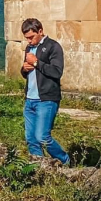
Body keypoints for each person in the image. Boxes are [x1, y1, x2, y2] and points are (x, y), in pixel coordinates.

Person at [20, 17, 69, 165]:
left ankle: (65, 160)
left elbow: (56, 72)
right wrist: (24, 69)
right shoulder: (29, 49)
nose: (29, 41)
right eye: (26, 38)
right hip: (30, 99)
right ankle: (39, 166)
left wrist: (36, 62)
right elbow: (27, 73)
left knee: (42, 137)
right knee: (31, 138)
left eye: (31, 37)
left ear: (40, 31)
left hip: (46, 99)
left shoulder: (53, 47)